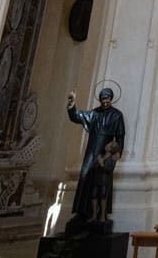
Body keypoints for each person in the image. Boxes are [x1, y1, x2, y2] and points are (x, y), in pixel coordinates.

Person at [66, 88, 125, 222]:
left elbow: (120, 136)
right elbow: (77, 116)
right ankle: (82, 211)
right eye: (103, 99)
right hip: (92, 150)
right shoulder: (94, 113)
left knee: (103, 184)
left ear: (111, 99)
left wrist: (117, 153)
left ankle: (101, 214)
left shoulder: (117, 115)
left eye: (107, 99)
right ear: (100, 100)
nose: (105, 102)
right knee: (85, 176)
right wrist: (71, 105)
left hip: (106, 152)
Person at [89, 139, 120, 222]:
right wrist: (97, 162)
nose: (106, 145)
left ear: (111, 148)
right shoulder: (101, 155)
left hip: (104, 179)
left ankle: (102, 216)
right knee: (94, 196)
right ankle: (94, 215)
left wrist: (102, 163)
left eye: (109, 145)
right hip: (97, 177)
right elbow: (93, 166)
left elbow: (109, 169)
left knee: (103, 197)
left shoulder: (112, 158)